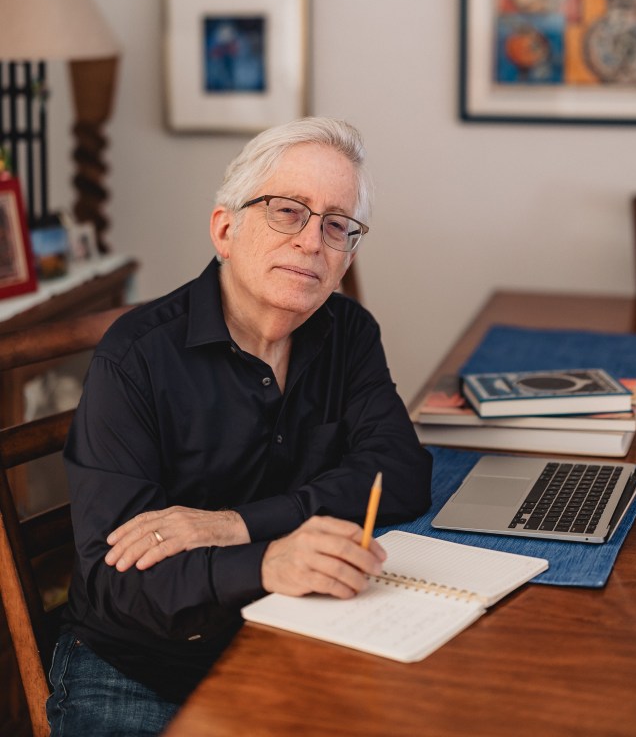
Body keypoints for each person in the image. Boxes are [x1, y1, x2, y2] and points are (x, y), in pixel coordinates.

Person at [47, 117, 432, 736]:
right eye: (288, 212)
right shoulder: (137, 356)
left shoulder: (349, 334)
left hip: (293, 641)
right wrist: (266, 563)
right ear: (225, 229)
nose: (312, 242)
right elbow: (113, 578)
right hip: (140, 666)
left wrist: (238, 525)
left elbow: (403, 475)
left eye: (337, 225)